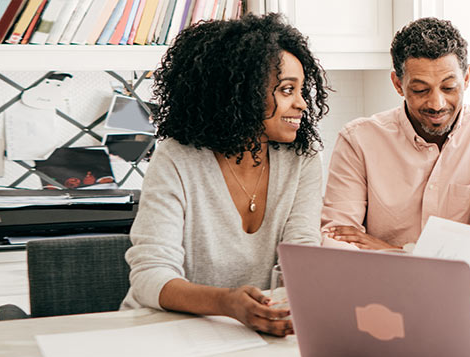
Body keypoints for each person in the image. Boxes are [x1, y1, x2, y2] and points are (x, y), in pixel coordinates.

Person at [121, 14, 331, 337]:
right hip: (165, 332)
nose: (302, 103)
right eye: (287, 90)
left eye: (302, 90)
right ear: (243, 92)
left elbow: (301, 260)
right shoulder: (177, 158)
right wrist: (227, 304)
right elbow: (150, 276)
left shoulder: (302, 160)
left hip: (253, 333)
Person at [321, 17, 470, 250]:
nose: (437, 103)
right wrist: (463, 243)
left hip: (466, 285)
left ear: (466, 79)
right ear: (397, 84)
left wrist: (393, 251)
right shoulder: (357, 140)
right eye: (420, 90)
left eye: (448, 87)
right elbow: (338, 239)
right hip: (381, 285)